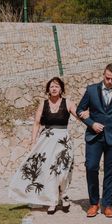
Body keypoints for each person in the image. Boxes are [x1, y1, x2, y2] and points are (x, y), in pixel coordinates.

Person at [9, 77, 77, 214]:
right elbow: (36, 123)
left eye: (57, 86)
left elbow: (81, 115)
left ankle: (63, 195)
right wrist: (33, 141)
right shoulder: (43, 104)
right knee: (49, 171)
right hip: (46, 141)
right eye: (51, 86)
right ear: (48, 89)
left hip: (63, 142)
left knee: (63, 171)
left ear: (61, 89)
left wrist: (91, 118)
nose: (54, 88)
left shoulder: (68, 103)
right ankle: (52, 200)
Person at [77, 63, 112, 218]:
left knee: (110, 173)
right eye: (108, 78)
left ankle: (107, 204)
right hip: (94, 137)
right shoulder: (91, 90)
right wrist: (91, 123)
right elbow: (79, 110)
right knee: (91, 167)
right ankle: (94, 203)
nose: (110, 81)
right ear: (104, 75)